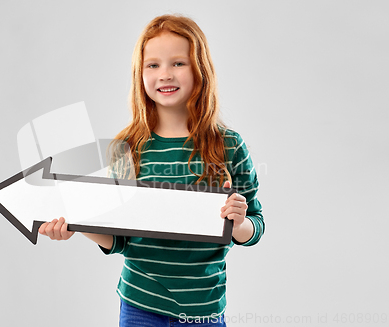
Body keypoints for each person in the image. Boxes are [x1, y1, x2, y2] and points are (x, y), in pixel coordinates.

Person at [39, 14, 264, 326]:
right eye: (153, 65)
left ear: (200, 68)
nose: (165, 75)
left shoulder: (227, 145)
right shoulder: (126, 146)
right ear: (139, 73)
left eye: (178, 63)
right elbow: (119, 238)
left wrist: (238, 223)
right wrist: (75, 225)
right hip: (138, 306)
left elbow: (255, 225)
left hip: (204, 310)